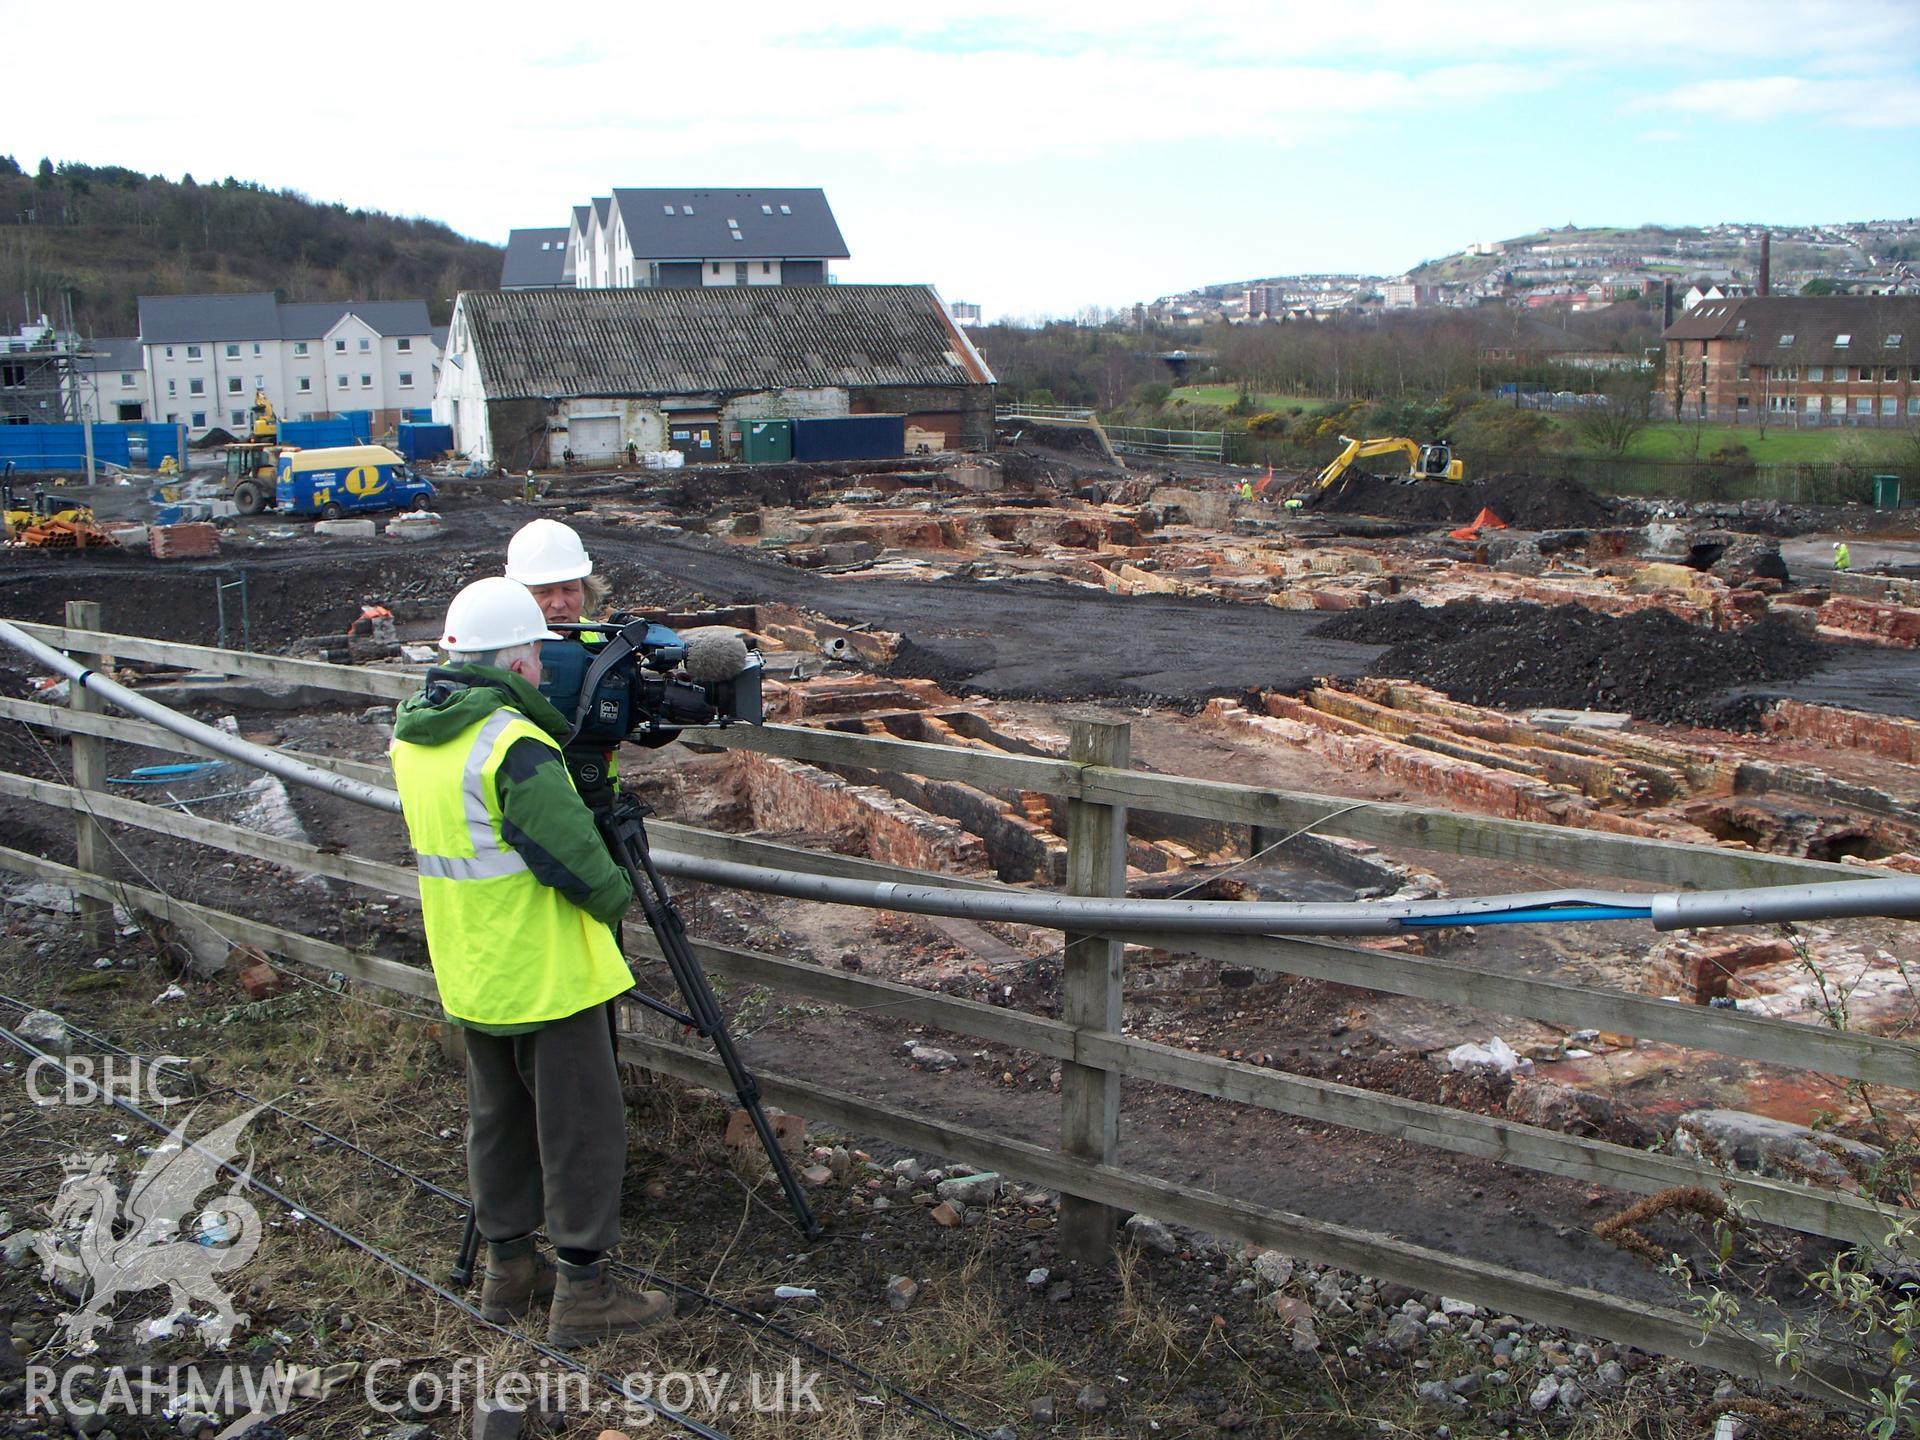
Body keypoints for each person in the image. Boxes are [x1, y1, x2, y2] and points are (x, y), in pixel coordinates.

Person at [389, 577, 672, 1347]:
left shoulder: (414, 735)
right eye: (537, 662)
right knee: (579, 1126)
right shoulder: (511, 744)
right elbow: (580, 863)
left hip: (472, 965)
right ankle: (585, 1291)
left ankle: (507, 1270)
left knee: (498, 1120)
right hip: (546, 970)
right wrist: (620, 894)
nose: (545, 673)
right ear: (514, 667)